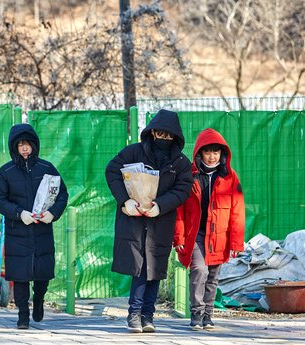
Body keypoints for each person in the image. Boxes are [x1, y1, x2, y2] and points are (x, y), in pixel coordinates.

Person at [105, 109, 193, 333]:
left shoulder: (180, 162)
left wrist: (161, 205)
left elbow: (183, 188)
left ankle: (148, 316)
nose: (163, 139)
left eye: (168, 135)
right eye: (159, 134)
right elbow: (112, 170)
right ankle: (135, 314)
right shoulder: (134, 152)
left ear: (175, 137)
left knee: (155, 268)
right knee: (139, 268)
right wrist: (125, 201)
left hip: (160, 221)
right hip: (133, 220)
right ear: (152, 132)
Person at [0, 124, 69, 329]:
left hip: (42, 230)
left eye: (28, 144)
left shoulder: (46, 168)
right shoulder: (6, 171)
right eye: (20, 145)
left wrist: (52, 214)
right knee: (20, 277)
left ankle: (39, 300)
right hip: (18, 231)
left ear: (34, 145)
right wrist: (20, 214)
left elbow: (62, 194)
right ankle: (22, 315)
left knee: (42, 274)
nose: (25, 148)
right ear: (14, 147)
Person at [174, 128, 245, 330]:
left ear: (222, 154)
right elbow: (179, 209)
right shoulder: (188, 175)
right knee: (199, 270)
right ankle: (196, 313)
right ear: (199, 153)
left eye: (216, 152)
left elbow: (237, 211)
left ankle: (208, 315)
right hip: (195, 234)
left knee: (213, 276)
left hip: (219, 235)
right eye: (208, 152)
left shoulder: (230, 177)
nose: (212, 157)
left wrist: (236, 242)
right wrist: (178, 237)